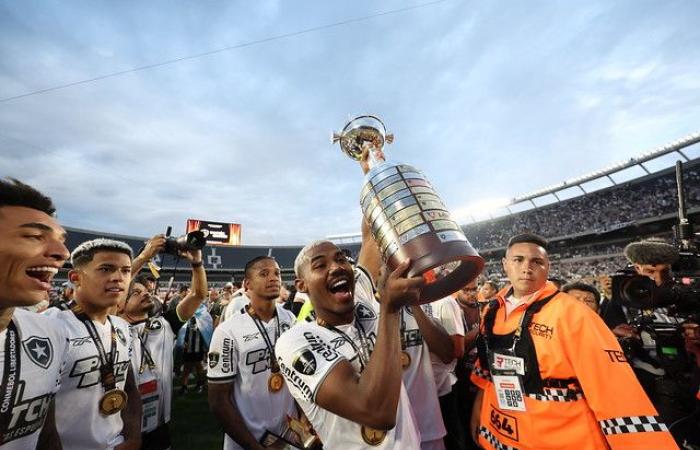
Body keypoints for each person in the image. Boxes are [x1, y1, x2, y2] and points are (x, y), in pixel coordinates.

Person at [470, 233, 678, 449]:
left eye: (537, 261)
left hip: (561, 438)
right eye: (518, 259)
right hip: (500, 433)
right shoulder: (492, 308)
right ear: (505, 265)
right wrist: (479, 409)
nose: (526, 267)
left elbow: (613, 389)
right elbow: (487, 370)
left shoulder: (575, 314)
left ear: (547, 267)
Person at [275, 239, 423, 449]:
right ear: (302, 285)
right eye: (320, 265)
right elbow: (377, 412)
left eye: (341, 259)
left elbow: (371, 236)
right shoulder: (295, 341)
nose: (336, 267)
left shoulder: (361, 298)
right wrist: (390, 310)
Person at [46, 238, 142, 450]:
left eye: (126, 271)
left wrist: (134, 437)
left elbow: (129, 388)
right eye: (106, 269)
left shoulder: (122, 327)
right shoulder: (52, 326)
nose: (118, 278)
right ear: (75, 277)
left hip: (117, 443)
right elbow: (39, 410)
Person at [0, 178, 69, 449]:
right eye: (34, 236)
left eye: (60, 241)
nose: (62, 252)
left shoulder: (49, 333)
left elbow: (46, 433)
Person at [119, 245, 207, 449]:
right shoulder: (109, 327)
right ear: (118, 301)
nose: (145, 294)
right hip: (117, 424)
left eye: (145, 290)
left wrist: (196, 262)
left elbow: (198, 294)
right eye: (135, 293)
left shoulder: (164, 325)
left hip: (158, 423)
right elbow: (114, 284)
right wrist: (145, 256)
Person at [208, 256, 298, 450]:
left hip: (290, 434)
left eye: (277, 273)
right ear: (247, 284)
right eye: (264, 274)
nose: (273, 278)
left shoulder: (290, 319)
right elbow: (218, 400)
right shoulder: (228, 331)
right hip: (248, 440)